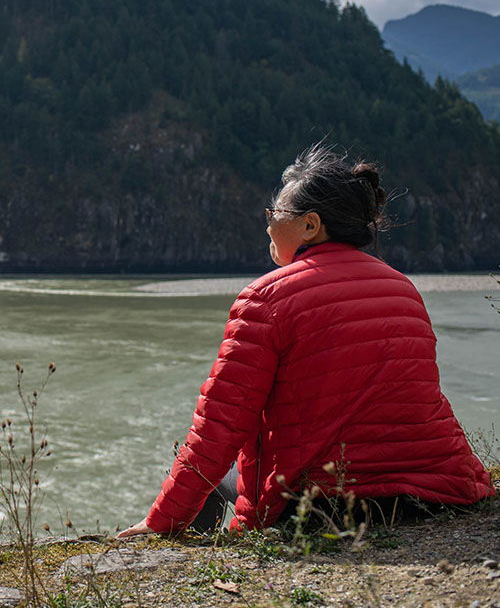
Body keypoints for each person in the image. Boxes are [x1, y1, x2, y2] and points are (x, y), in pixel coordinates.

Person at [117, 145, 493, 538]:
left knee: (203, 464)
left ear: (311, 225)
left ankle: (189, 550)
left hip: (318, 506)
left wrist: (159, 519)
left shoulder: (264, 299)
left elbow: (219, 428)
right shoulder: (404, 289)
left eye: (275, 214)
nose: (268, 225)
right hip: (431, 494)